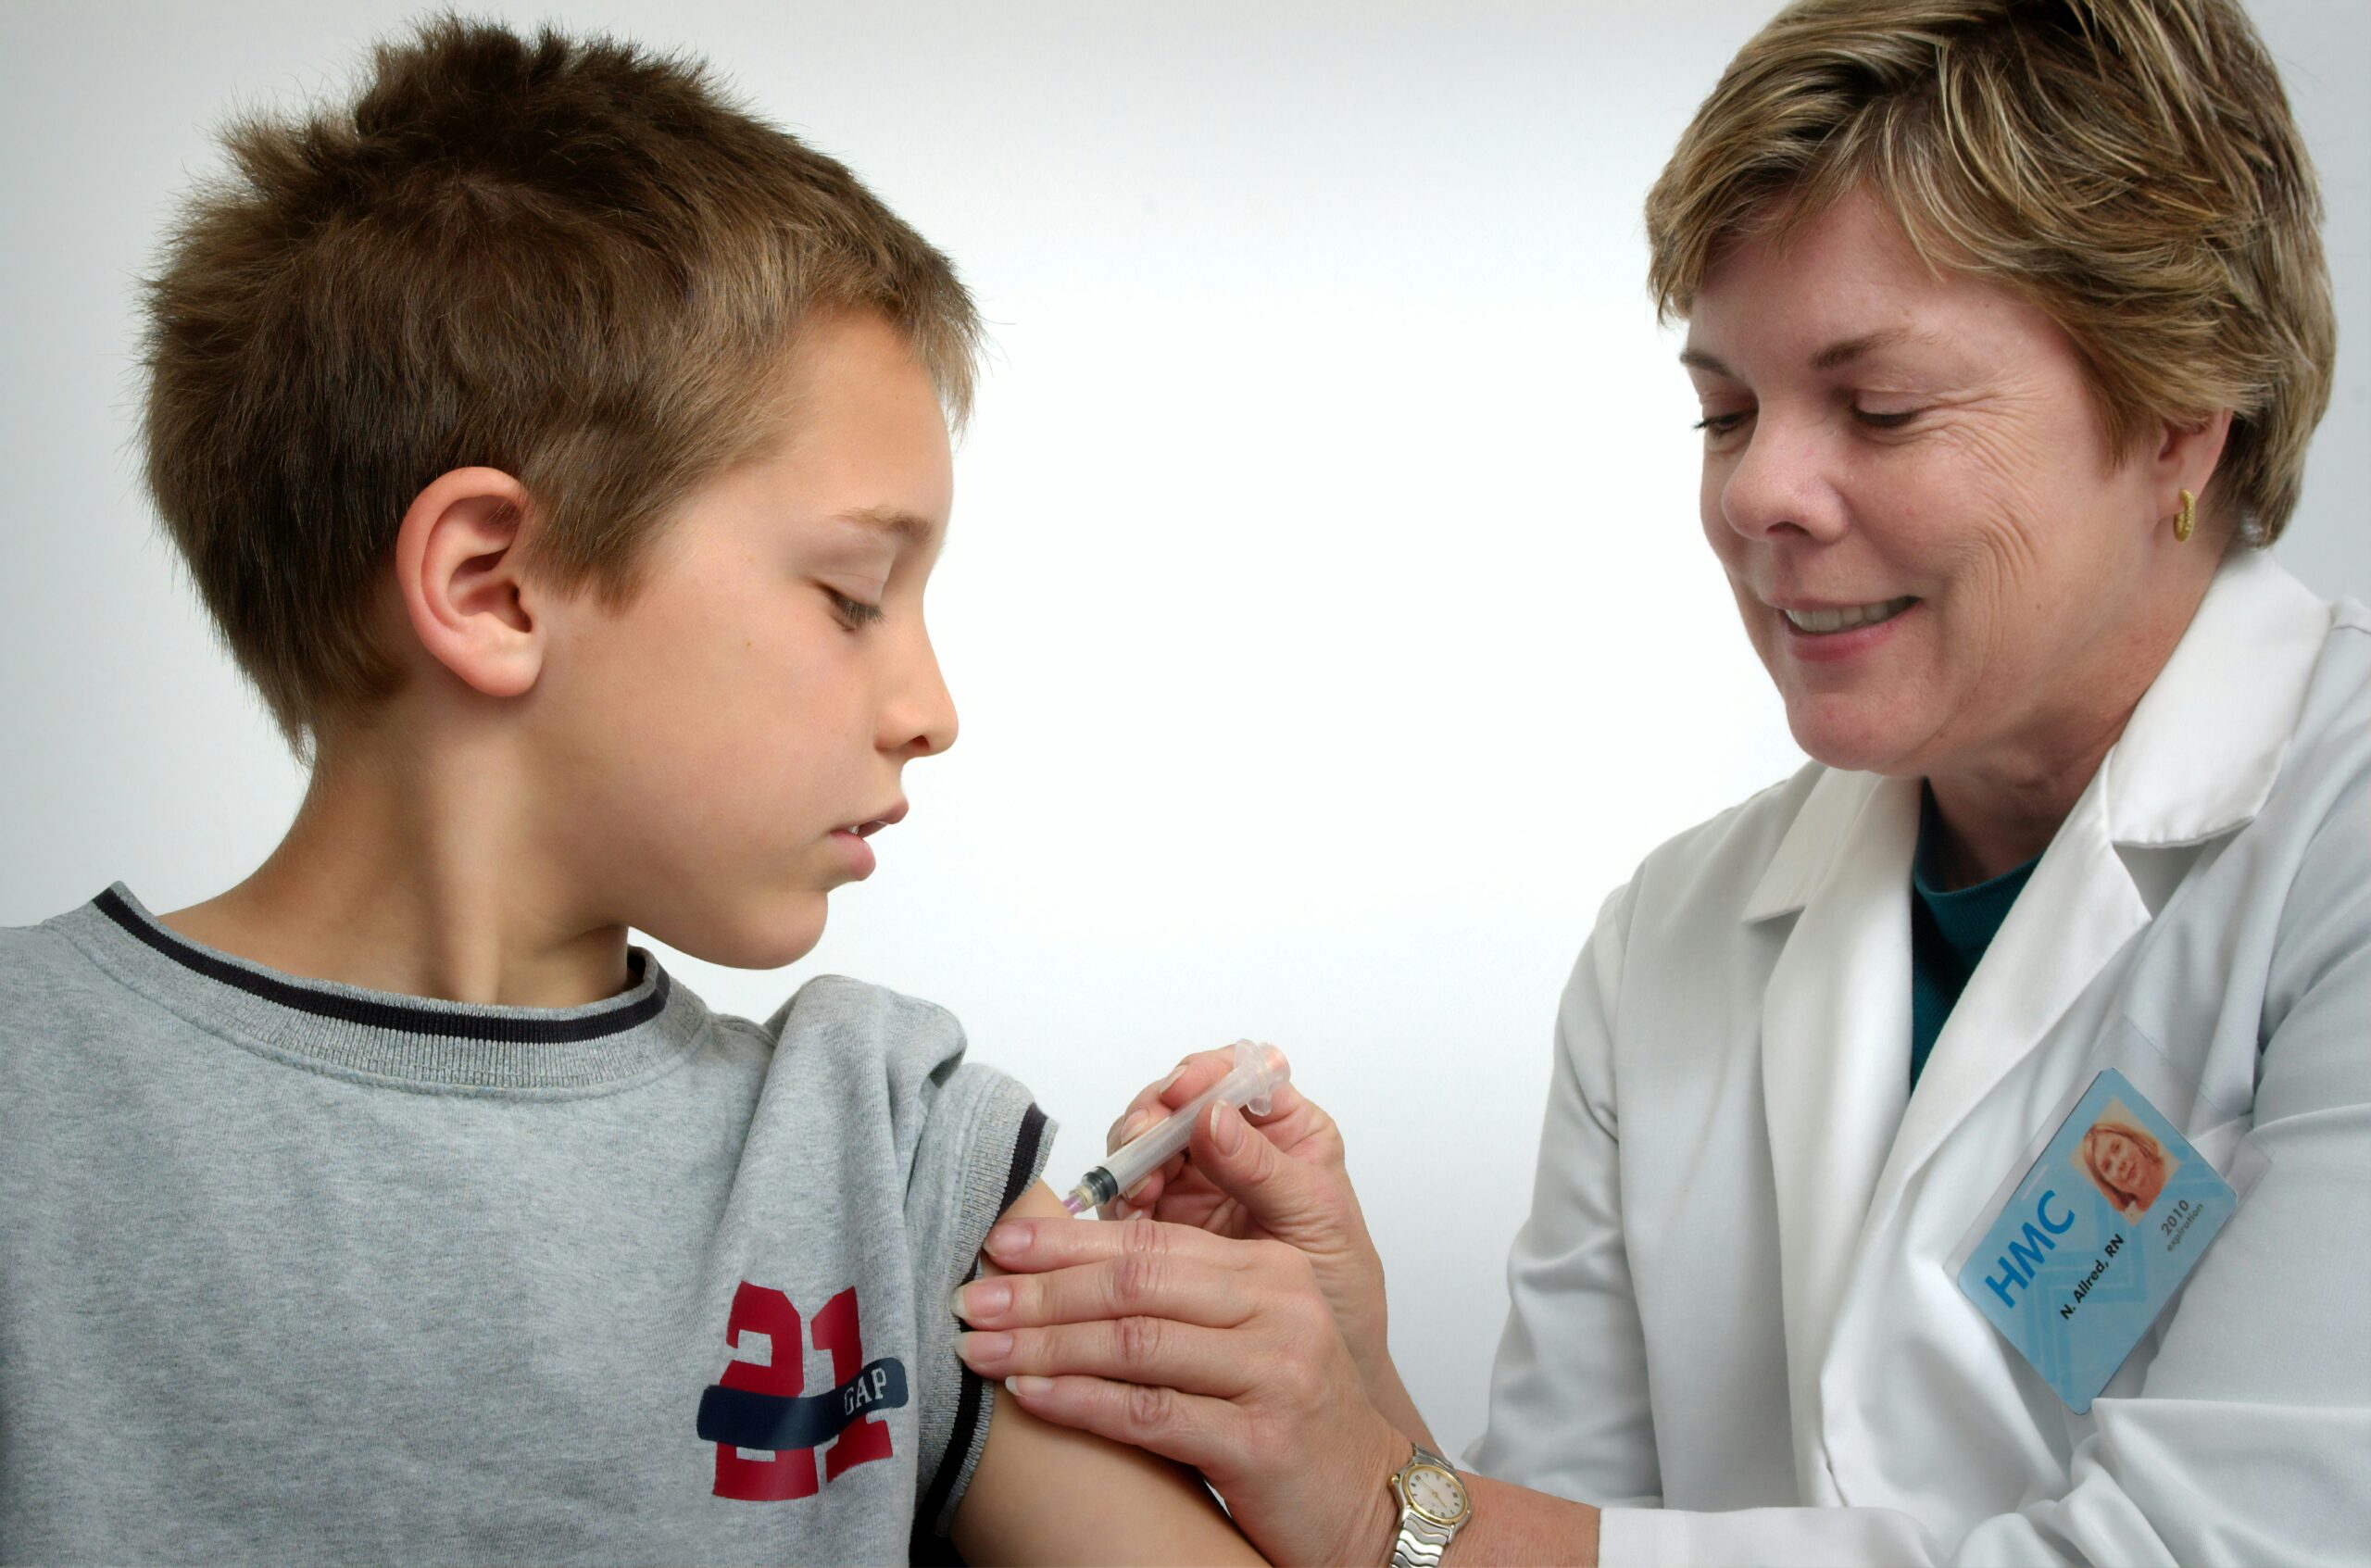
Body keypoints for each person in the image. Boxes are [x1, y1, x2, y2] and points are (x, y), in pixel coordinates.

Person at [953, 0, 2369, 1562]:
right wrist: (1351, 1390)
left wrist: (1371, 1502)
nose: (1757, 490)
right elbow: (1554, 1535)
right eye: (1726, 409)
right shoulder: (1677, 938)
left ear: (2181, 410)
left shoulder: (2335, 838)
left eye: (1879, 407)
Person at [0, 19, 1261, 1566]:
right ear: (496, 585)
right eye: (856, 592)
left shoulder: (884, 1157)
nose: (932, 711)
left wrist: (1353, 1423)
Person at [2078, 1121, 2170, 1219]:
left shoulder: (2177, 1161)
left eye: (2117, 1147)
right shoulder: (2131, 1223)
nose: (2119, 1164)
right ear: (2108, 1183)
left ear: (2133, 1140)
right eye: (2108, 1166)